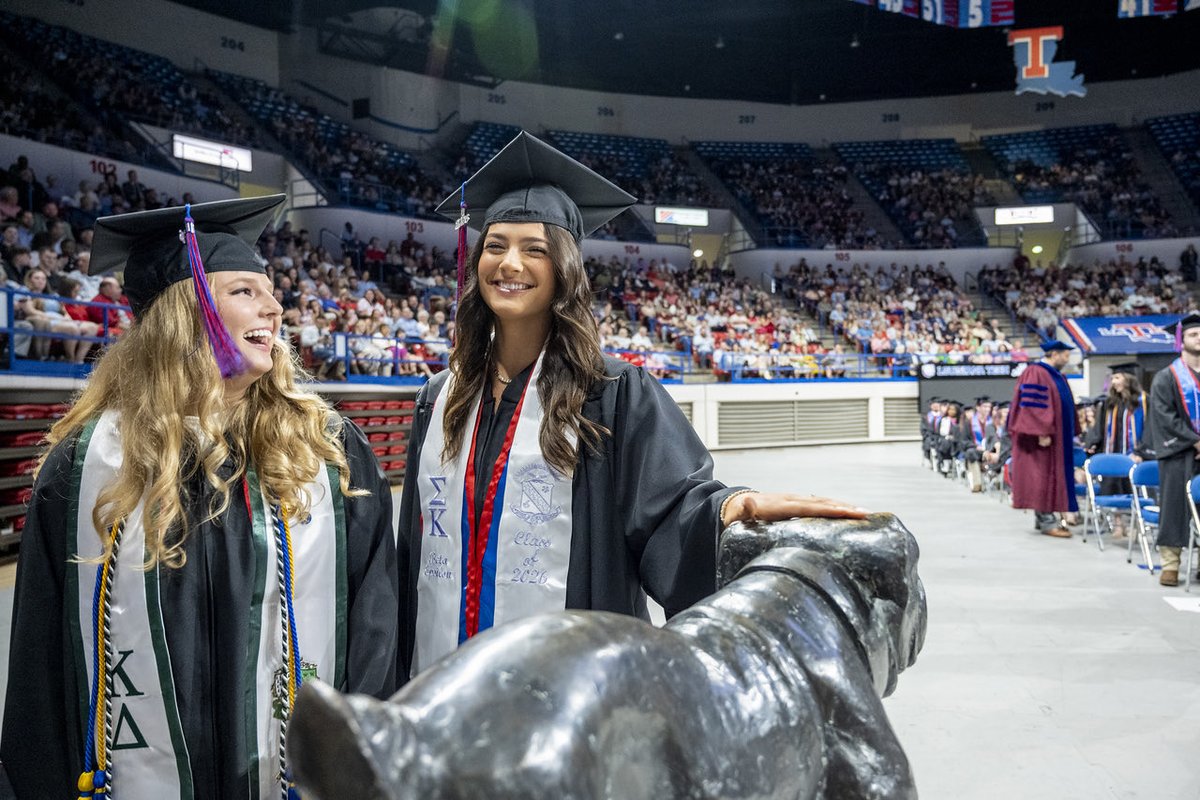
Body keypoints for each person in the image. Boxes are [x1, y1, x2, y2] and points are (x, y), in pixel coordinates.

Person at [396, 132, 865, 681]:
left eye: (534, 248)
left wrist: (733, 508)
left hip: (568, 693)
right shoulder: (441, 399)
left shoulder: (611, 393)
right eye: (495, 245)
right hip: (437, 688)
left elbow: (671, 512)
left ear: (564, 270)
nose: (509, 263)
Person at [1, 196, 398, 798]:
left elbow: (373, 628)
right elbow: (40, 663)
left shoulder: (328, 452)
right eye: (244, 291)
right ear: (185, 315)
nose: (275, 305)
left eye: (270, 290)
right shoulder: (87, 466)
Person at [1148, 312, 1200, 587]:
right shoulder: (1166, 378)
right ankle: (1170, 564)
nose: (1199, 338)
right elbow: (1164, 416)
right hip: (1178, 453)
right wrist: (1194, 440)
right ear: (1181, 341)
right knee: (1174, 507)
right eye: (1193, 334)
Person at [1007, 341, 1077, 538]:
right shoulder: (1036, 373)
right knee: (1042, 478)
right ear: (1054, 354)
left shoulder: (1056, 375)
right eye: (1065, 355)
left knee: (1048, 478)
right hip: (1042, 439)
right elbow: (1032, 406)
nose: (1067, 359)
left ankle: (1044, 519)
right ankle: (1047, 522)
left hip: (1057, 439)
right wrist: (1041, 432)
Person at [1085, 363, 1148, 538]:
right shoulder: (1109, 403)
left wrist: (1141, 452)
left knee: (1132, 489)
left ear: (1129, 379)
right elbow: (1099, 428)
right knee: (1112, 487)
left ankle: (1134, 525)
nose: (1114, 382)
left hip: (1135, 455)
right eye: (1113, 378)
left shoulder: (1143, 401)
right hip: (1112, 453)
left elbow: (1150, 428)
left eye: (1118, 377)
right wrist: (1092, 443)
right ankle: (1118, 524)